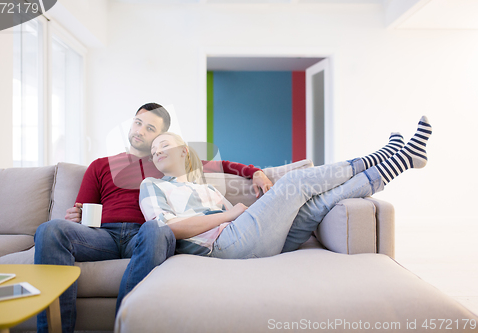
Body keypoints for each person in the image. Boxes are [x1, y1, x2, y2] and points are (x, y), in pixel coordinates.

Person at [33, 103, 274, 333]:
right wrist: (76, 215)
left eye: (150, 129)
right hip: (102, 235)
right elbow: (83, 210)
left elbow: (223, 165)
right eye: (138, 123)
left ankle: (125, 325)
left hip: (146, 234)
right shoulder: (100, 165)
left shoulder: (166, 160)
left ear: (161, 136)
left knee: (156, 228)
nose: (140, 131)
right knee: (49, 230)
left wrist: (256, 172)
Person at [139, 116, 432, 259]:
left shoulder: (207, 188)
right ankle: (382, 155)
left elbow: (234, 172)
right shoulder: (151, 185)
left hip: (250, 238)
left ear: (184, 152)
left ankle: (402, 159)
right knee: (294, 183)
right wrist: (230, 215)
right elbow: (168, 228)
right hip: (222, 247)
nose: (156, 152)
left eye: (164, 144)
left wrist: (255, 182)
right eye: (153, 151)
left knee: (316, 206)